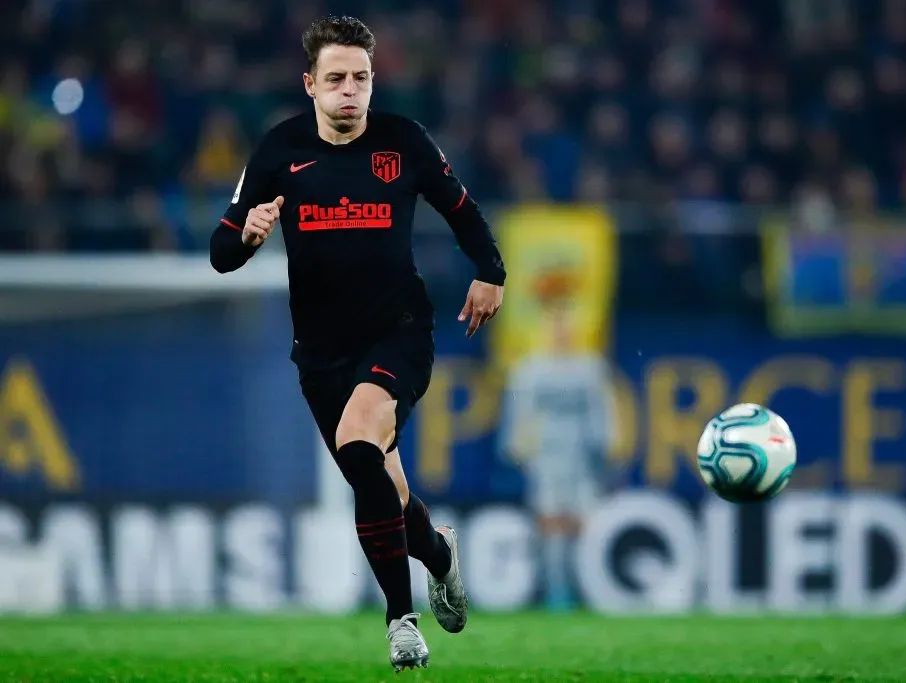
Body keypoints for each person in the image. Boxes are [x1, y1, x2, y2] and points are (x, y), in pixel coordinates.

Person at [208, 15, 505, 672]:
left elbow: (462, 210)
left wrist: (491, 272)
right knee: (382, 489)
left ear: (373, 81)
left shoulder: (404, 142)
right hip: (320, 354)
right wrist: (247, 236)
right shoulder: (280, 150)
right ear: (310, 84)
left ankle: (401, 621)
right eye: (337, 78)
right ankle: (440, 555)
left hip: (399, 332)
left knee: (360, 443)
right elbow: (220, 252)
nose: (350, 90)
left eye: (361, 78)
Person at [500, 304, 616, 610]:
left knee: (582, 520)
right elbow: (519, 413)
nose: (562, 333)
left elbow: (601, 411)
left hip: (580, 457)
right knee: (550, 521)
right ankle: (556, 590)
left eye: (567, 325)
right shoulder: (531, 369)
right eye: (556, 326)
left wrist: (604, 447)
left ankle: (585, 587)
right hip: (546, 456)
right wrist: (518, 449)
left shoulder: (590, 367)